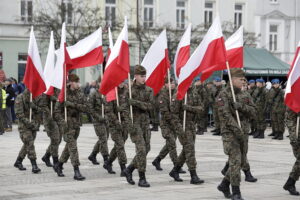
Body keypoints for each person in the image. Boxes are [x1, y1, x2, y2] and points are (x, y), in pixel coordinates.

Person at [217, 68, 256, 200]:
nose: (243, 81)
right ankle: (236, 192)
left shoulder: (245, 95)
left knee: (239, 162)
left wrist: (241, 106)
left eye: (244, 79)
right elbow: (225, 116)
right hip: (230, 134)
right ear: (233, 80)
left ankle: (224, 184)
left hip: (243, 133)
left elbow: (254, 112)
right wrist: (237, 130)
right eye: (241, 79)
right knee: (235, 160)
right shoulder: (223, 94)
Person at [123, 65, 154, 187]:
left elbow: (150, 106)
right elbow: (125, 110)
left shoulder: (149, 90)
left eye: (145, 76)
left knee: (147, 149)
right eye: (142, 76)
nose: (144, 78)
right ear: (135, 76)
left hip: (145, 124)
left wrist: (135, 103)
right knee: (141, 150)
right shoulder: (129, 91)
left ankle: (129, 169)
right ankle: (142, 177)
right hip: (135, 124)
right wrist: (129, 125)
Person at [53, 74, 87, 181]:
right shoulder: (63, 94)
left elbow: (86, 108)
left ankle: (59, 164)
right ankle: (76, 171)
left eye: (78, 82)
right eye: (76, 82)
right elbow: (56, 112)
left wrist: (72, 105)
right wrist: (63, 122)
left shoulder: (80, 93)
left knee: (69, 147)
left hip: (76, 123)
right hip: (67, 125)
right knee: (73, 147)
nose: (78, 84)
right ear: (71, 82)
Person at [13, 89, 41, 173]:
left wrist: (34, 107)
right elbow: (19, 114)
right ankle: (34, 165)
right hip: (24, 126)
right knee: (30, 144)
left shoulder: (35, 98)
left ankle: (18, 161)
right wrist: (29, 123)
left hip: (33, 126)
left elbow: (40, 110)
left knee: (27, 144)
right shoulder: (20, 97)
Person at [87, 78, 109, 167]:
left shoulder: (106, 93)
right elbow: (90, 108)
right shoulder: (93, 94)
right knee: (103, 139)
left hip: (106, 120)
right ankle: (106, 160)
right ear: (98, 83)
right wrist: (98, 117)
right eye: (102, 82)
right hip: (98, 120)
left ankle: (93, 155)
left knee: (104, 138)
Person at [284, 108, 300, 196]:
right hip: (297, 137)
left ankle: (290, 183)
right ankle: (290, 182)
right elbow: (289, 120)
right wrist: (294, 137)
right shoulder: (295, 103)